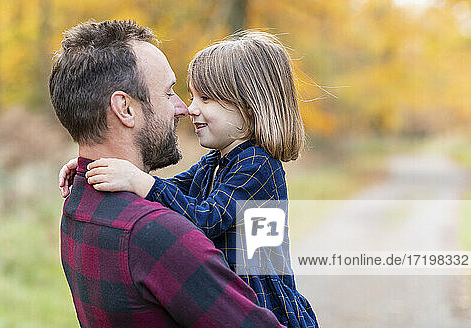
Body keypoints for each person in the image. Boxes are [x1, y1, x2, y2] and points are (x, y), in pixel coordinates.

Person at [59, 31, 318, 328]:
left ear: (248, 107)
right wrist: (99, 167)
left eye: (206, 99)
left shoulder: (258, 166)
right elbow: (177, 189)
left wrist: (138, 181)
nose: (190, 108)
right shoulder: (218, 161)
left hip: (265, 303)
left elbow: (207, 217)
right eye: (191, 96)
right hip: (240, 296)